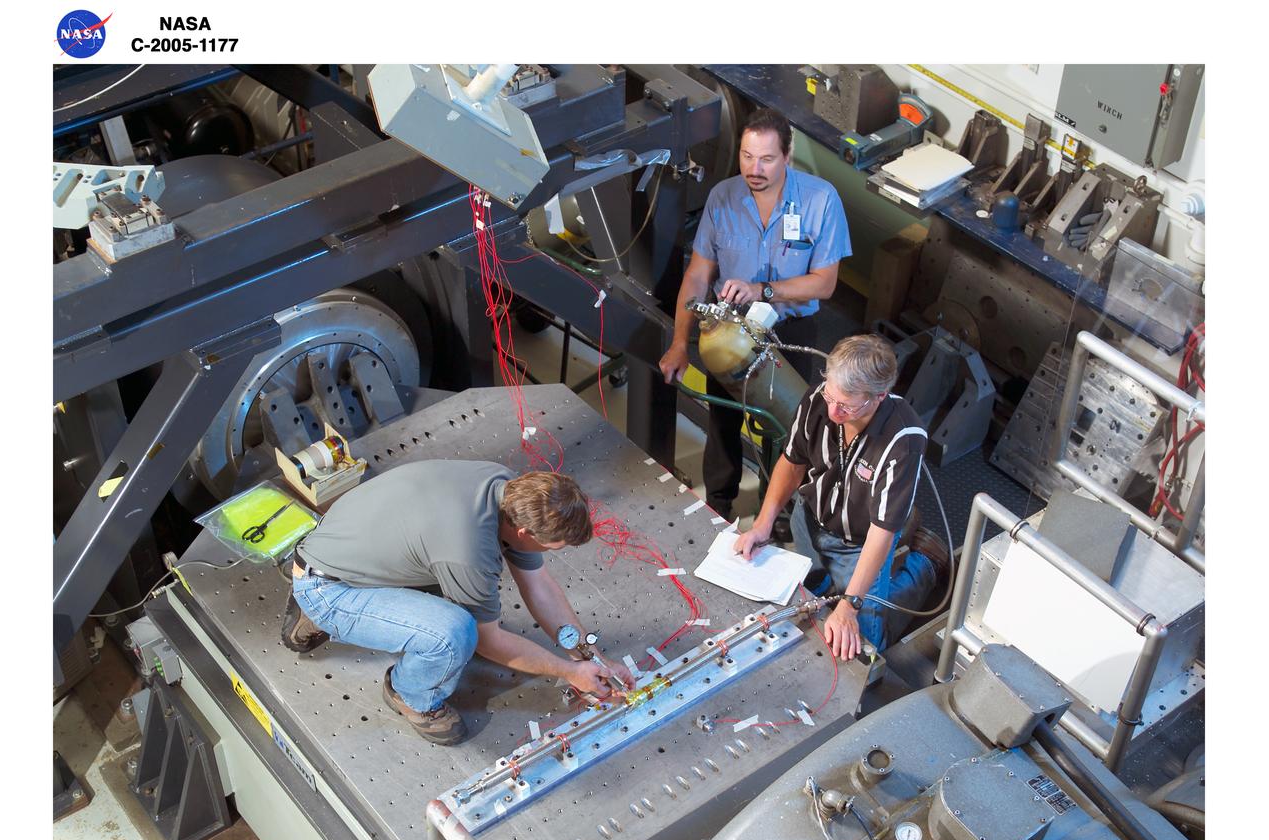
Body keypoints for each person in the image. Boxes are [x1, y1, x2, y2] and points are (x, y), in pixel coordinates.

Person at [280, 461, 632, 746]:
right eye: (554, 547)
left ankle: (326, 603)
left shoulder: (507, 487)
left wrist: (589, 657)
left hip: (350, 542)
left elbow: (539, 586)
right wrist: (571, 674)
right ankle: (409, 694)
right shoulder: (467, 551)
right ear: (525, 534)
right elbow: (489, 642)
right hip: (328, 586)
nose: (554, 554)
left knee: (466, 606)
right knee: (455, 634)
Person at [659, 107, 852, 522]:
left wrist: (763, 290)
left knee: (789, 425)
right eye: (747, 156)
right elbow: (697, 275)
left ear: (788, 155)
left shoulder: (820, 200)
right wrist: (679, 344)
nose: (754, 168)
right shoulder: (722, 198)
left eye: (766, 158)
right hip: (730, 329)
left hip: (790, 328)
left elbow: (824, 283)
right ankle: (720, 502)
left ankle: (778, 509)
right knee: (723, 419)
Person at [732, 335, 950, 660]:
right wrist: (762, 525)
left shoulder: (903, 441)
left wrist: (851, 605)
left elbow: (881, 531)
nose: (833, 411)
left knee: (865, 642)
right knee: (812, 598)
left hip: (860, 543)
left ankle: (925, 564)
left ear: (880, 396)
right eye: (830, 395)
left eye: (846, 405)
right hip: (809, 521)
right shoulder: (822, 398)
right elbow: (792, 463)